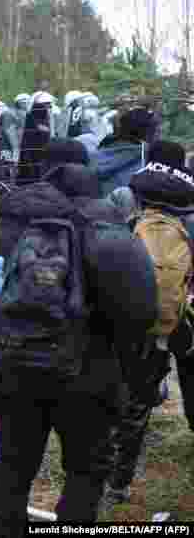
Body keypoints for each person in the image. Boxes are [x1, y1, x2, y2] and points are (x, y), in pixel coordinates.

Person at [0, 138, 159, 536]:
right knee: (85, 471)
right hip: (88, 371)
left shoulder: (15, 222)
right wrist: (130, 372)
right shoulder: (108, 223)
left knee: (13, 466)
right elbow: (140, 311)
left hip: (19, 362)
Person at [101, 141, 194, 507]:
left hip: (140, 320)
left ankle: (117, 484)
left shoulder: (127, 196)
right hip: (186, 319)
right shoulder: (189, 207)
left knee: (134, 405)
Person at [94, 107, 157, 198]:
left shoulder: (99, 150)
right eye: (154, 130)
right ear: (146, 132)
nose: (157, 133)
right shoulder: (147, 158)